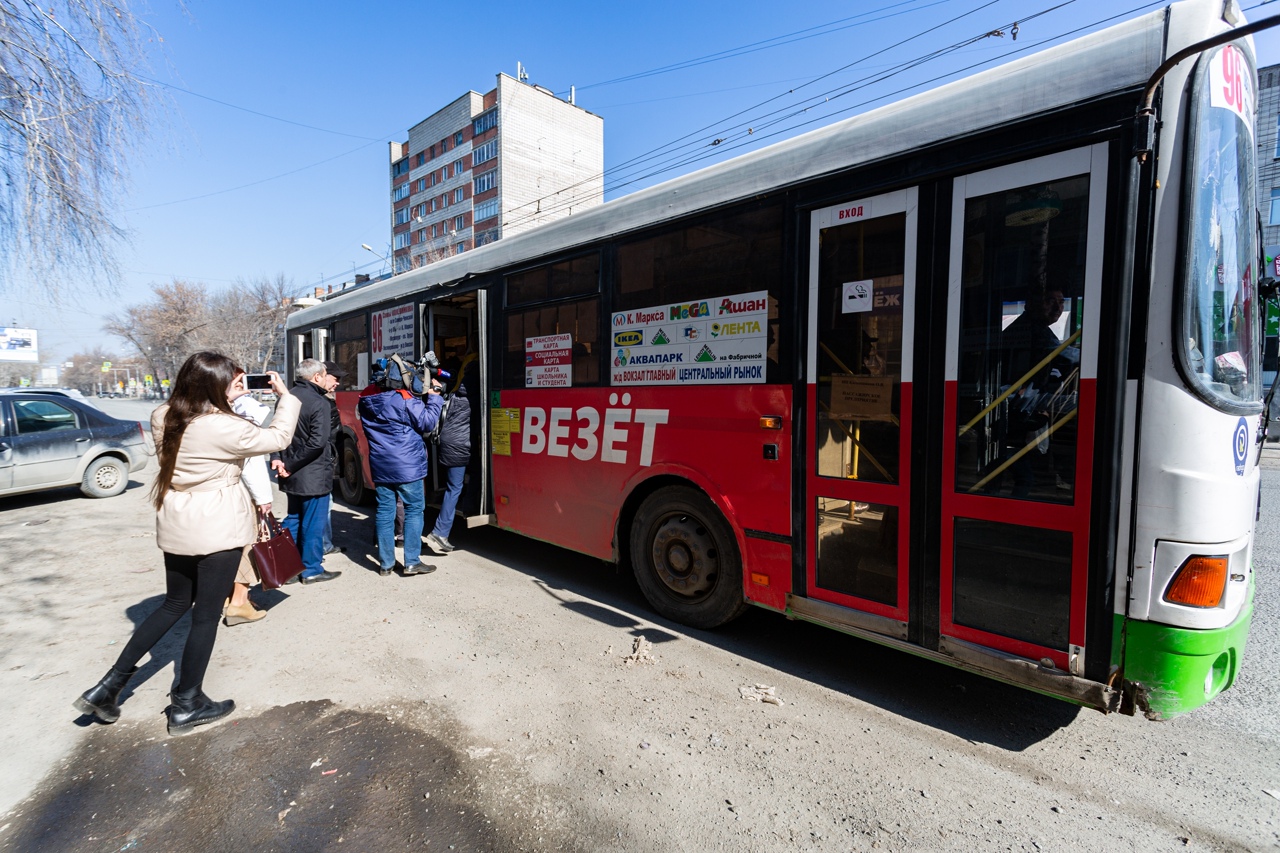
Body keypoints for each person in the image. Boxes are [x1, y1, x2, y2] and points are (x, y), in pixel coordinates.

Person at [73, 353, 297, 736]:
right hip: (218, 524)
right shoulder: (223, 426)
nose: (236, 386)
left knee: (174, 603)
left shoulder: (164, 415)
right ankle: (187, 703)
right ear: (213, 386)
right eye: (231, 382)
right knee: (206, 615)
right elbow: (278, 437)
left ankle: (108, 686)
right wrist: (284, 397)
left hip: (178, 517)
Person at [358, 356, 443, 576]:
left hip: (380, 464)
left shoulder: (366, 397)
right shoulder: (405, 399)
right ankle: (412, 561)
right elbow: (427, 423)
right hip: (408, 466)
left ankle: (386, 563)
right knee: (414, 509)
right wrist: (434, 397)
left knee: (385, 512)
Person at [272, 359, 339, 584]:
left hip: (291, 471)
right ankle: (311, 569)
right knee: (312, 522)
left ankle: (288, 568)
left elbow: (276, 432)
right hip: (311, 472)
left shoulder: (287, 398)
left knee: (294, 518)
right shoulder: (319, 402)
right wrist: (289, 466)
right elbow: (317, 443)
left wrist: (280, 462)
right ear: (317, 376)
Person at [224, 392, 273, 625]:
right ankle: (239, 602)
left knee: (229, 548)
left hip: (226, 498)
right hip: (246, 498)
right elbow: (253, 469)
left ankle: (228, 596)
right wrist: (264, 499)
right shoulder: (244, 431)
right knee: (249, 547)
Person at [426, 380, 471, 554]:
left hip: (446, 444)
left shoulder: (453, 396)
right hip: (459, 448)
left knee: (452, 486)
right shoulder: (471, 400)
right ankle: (440, 531)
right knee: (454, 488)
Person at [321, 360, 346, 557]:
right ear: (321, 375)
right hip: (321, 464)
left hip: (320, 462)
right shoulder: (322, 403)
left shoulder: (295, 397)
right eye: (335, 378)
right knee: (323, 505)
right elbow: (325, 437)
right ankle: (323, 545)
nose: (337, 383)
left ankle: (324, 543)